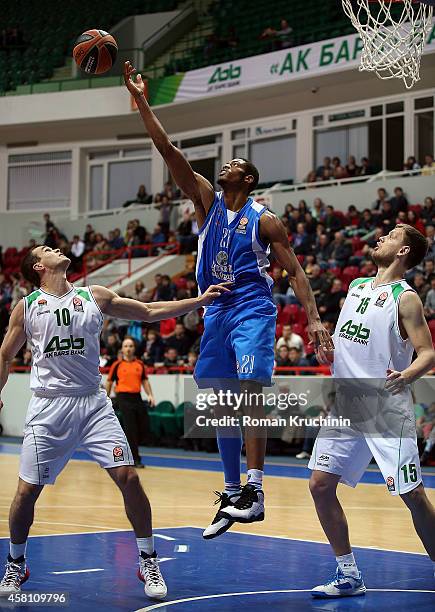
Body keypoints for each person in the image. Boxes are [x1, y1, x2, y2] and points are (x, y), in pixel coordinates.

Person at [123, 60, 333, 539]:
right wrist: (142, 102)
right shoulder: (204, 200)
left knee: (248, 393)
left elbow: (296, 273)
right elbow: (166, 148)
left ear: (249, 180)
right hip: (214, 311)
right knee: (218, 400)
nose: (226, 165)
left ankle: (257, 490)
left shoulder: (265, 220)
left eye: (235, 165)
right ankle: (234, 489)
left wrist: (315, 318)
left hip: (252, 309)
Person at [0, 244, 228, 599]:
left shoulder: (95, 296)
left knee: (129, 477)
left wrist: (198, 302)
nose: (57, 248)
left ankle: (148, 559)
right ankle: (16, 563)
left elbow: (150, 311)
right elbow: (4, 355)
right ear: (38, 266)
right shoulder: (27, 307)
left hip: (93, 404)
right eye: (47, 249)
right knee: (27, 492)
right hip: (49, 408)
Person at [310, 223, 435, 598]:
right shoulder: (356, 287)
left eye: (392, 236)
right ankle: (349, 575)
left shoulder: (406, 297)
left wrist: (408, 373)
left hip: (385, 405)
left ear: (402, 252)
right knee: (319, 485)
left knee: (412, 495)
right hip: (347, 402)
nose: (381, 238)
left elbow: (427, 353)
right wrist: (331, 351)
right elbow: (352, 341)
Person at [106, 336, 155, 468]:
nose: (128, 349)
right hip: (123, 398)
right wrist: (107, 397)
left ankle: (128, 453)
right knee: (131, 429)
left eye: (131, 346)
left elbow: (144, 380)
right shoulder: (117, 365)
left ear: (134, 349)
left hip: (137, 397)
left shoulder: (140, 364)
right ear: (122, 349)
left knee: (143, 426)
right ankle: (134, 459)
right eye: (126, 346)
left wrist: (150, 395)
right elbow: (109, 382)